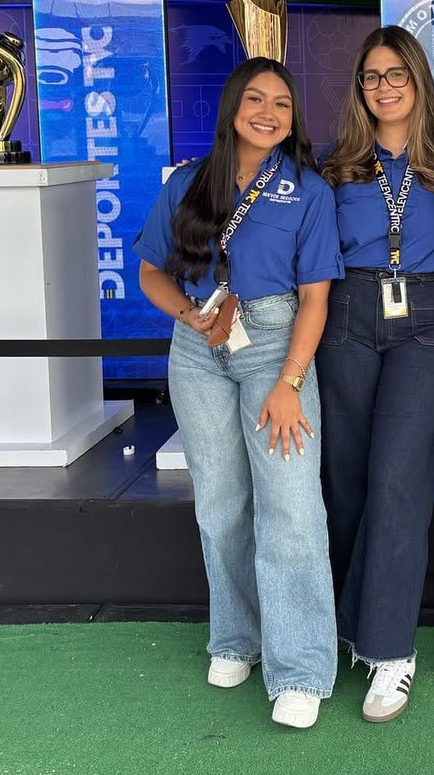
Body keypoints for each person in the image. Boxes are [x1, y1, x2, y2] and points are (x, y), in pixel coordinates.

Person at [133, 57, 343, 730]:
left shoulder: (308, 190)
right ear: (232, 108)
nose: (269, 113)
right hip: (198, 348)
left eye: (282, 103)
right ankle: (236, 638)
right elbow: (150, 271)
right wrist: (189, 317)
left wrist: (290, 382)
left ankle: (301, 667)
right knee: (220, 504)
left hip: (277, 346)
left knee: (290, 506)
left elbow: (316, 299)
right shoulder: (188, 182)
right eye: (255, 99)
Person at [318, 25, 434, 723]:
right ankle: (348, 626)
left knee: (398, 475)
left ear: (419, 79)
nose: (384, 86)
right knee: (345, 476)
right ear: (360, 87)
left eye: (396, 73)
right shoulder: (337, 163)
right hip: (347, 312)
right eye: (372, 76)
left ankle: (390, 648)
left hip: (426, 316)